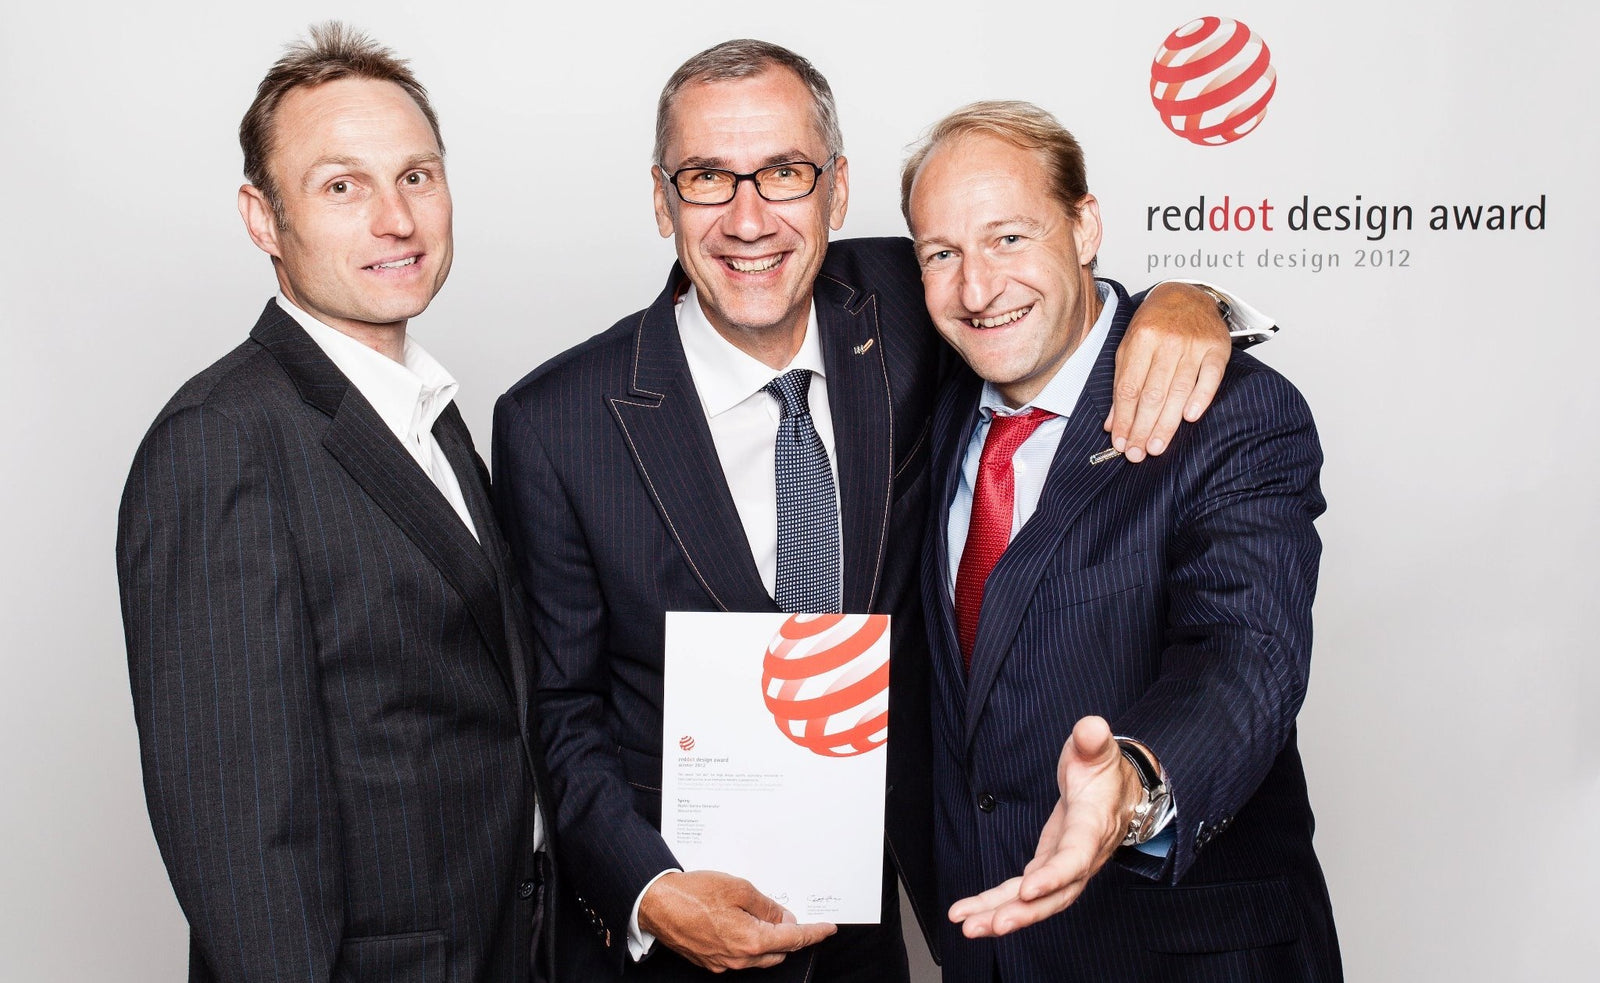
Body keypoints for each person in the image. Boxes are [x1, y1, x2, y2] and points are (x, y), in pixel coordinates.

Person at [491, 41, 1260, 981]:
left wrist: (1188, 301)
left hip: (875, 935)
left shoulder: (918, 303)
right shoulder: (554, 421)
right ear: (662, 198)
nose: (748, 219)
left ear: (837, 190)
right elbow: (561, 706)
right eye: (706, 177)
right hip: (667, 944)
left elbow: (1049, 293)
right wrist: (646, 888)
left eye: (784, 172)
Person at [115, 23, 558, 983]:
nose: (397, 219)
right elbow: (243, 838)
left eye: (417, 176)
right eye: (342, 187)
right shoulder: (219, 440)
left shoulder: (427, 413)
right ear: (263, 218)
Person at [901, 100, 1341, 981]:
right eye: (940, 254)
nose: (977, 290)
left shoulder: (1231, 413)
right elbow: (762, 249)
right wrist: (1195, 293)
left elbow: (1244, 656)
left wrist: (1136, 782)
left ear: (1085, 226)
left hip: (1186, 958)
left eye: (1009, 238)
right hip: (987, 949)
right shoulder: (925, 399)